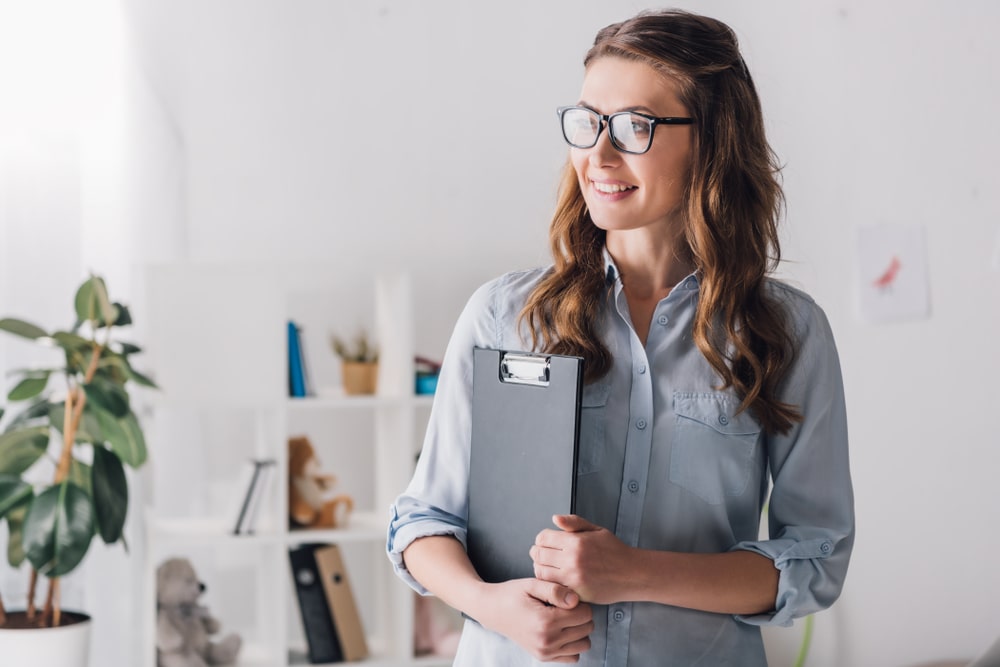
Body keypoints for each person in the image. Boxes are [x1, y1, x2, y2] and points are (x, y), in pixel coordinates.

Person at [387, 8, 854, 666]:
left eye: (636, 126)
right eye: (587, 122)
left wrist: (631, 570)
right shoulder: (504, 315)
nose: (598, 155)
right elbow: (422, 522)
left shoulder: (787, 333)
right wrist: (495, 607)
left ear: (711, 141)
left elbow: (816, 558)